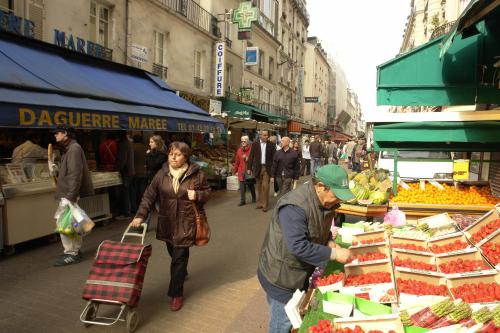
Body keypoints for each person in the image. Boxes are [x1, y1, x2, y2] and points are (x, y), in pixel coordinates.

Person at [258, 165, 354, 332]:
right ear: (320, 187)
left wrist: (329, 241)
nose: (339, 200)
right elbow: (298, 245)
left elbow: (316, 228)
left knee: (289, 319)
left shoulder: (323, 202)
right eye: (336, 195)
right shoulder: (295, 206)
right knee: (282, 323)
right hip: (281, 276)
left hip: (297, 272)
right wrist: (334, 253)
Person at [130, 141, 211, 312]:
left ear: (186, 157)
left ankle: (176, 294)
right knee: (173, 252)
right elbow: (149, 195)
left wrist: (197, 194)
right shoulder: (162, 174)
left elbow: (207, 192)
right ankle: (181, 272)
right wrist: (140, 216)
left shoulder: (196, 174)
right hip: (166, 221)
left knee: (178, 258)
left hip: (186, 222)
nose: (173, 157)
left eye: (178, 154)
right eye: (171, 154)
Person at [53, 125, 94, 266]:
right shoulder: (70, 148)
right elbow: (69, 172)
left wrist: (71, 195)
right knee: (72, 223)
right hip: (68, 193)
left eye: (57, 133)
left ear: (65, 134)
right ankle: (75, 250)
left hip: (68, 194)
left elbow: (75, 174)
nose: (55, 136)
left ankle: (71, 253)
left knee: (64, 223)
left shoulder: (74, 148)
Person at [247, 130, 276, 212]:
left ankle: (265, 205)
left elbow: (274, 159)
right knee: (259, 187)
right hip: (257, 168)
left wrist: (273, 171)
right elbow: (251, 157)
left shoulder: (271, 145)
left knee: (265, 186)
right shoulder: (255, 145)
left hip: (267, 168)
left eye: (267, 135)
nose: (266, 136)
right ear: (260, 136)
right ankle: (260, 203)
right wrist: (249, 168)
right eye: (264, 135)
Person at [143, 135, 168, 227]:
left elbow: (153, 165)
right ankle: (144, 224)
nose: (149, 144)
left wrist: (148, 155)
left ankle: (168, 221)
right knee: (151, 203)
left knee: (157, 204)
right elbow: (147, 165)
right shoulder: (153, 153)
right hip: (152, 181)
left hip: (159, 182)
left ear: (157, 143)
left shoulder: (162, 154)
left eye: (151, 142)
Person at [116, 132, 135, 219]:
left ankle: (126, 213)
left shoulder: (123, 144)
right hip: (130, 171)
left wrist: (118, 168)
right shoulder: (129, 143)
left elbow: (122, 160)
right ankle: (131, 209)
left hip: (126, 172)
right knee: (129, 191)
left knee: (124, 192)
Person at [233, 135, 256, 206]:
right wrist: (234, 171)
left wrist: (247, 159)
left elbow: (255, 160)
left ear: (248, 141)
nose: (243, 142)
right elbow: (237, 161)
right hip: (241, 171)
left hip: (249, 170)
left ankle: (254, 197)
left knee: (250, 185)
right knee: (242, 187)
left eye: (244, 141)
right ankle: (242, 200)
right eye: (242, 141)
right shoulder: (239, 150)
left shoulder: (252, 150)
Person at [131, 135, 148, 212]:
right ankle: (143, 206)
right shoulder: (145, 147)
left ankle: (135, 208)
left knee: (134, 191)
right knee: (143, 191)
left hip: (135, 172)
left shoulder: (133, 147)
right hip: (144, 172)